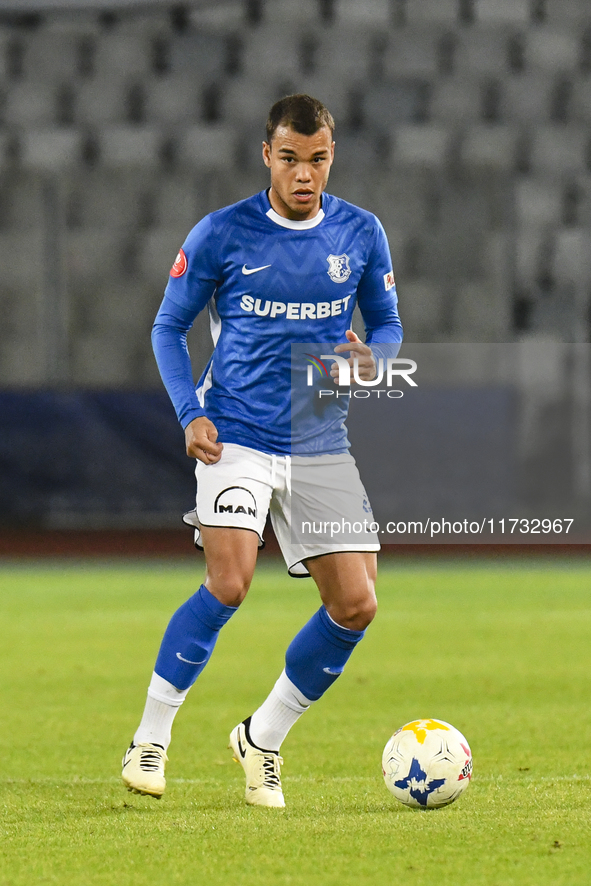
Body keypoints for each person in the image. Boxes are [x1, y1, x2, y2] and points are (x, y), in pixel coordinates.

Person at [121, 94, 403, 808]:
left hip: (317, 444)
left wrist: (369, 360)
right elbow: (167, 327)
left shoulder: (360, 234)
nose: (303, 174)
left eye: (317, 160)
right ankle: (150, 740)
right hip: (236, 437)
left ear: (329, 157)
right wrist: (190, 413)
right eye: (289, 158)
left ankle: (263, 737)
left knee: (358, 605)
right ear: (267, 157)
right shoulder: (223, 235)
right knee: (230, 582)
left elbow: (389, 327)